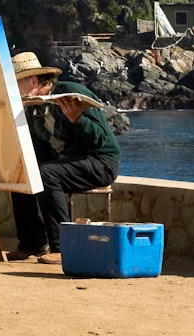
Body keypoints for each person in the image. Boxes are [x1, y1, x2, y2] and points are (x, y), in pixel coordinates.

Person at [7, 52, 120, 264]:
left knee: (45, 174)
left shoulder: (70, 93)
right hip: (66, 164)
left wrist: (77, 119)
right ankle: (32, 242)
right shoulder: (33, 107)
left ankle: (62, 246)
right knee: (23, 172)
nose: (13, 90)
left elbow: (100, 140)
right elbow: (40, 149)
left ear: (33, 81)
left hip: (99, 161)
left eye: (16, 84)